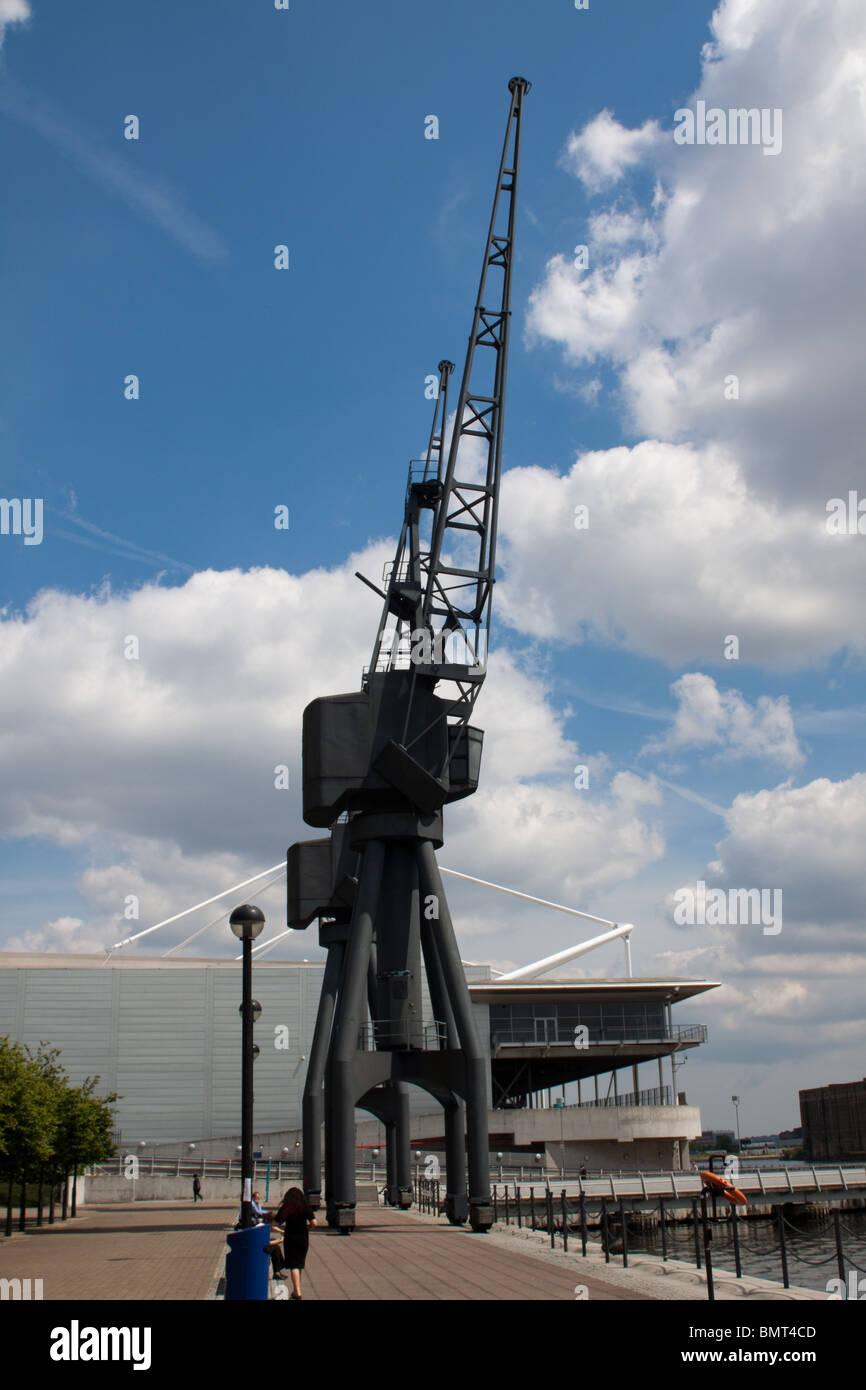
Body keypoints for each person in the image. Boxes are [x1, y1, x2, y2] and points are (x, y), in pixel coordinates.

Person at [270, 1188, 316, 1300]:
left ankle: (297, 1292)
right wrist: (308, 1227)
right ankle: (296, 1290)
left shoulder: (287, 1208)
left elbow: (275, 1222)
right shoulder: (305, 1207)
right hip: (303, 1238)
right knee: (299, 1264)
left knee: (294, 1265)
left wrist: (280, 1228)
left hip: (291, 1238)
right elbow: (314, 1222)